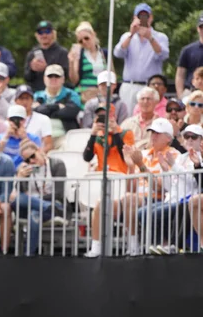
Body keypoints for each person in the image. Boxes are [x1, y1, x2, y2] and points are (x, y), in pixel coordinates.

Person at [85, 118, 180, 257]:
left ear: (168, 138)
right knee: (102, 202)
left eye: (157, 134)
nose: (153, 136)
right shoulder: (144, 154)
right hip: (135, 198)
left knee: (130, 199)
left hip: (157, 200)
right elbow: (130, 188)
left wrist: (140, 165)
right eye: (152, 132)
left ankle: (133, 246)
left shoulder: (174, 155)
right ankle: (96, 248)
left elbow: (160, 188)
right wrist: (130, 166)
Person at [141, 124, 202, 254]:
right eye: (186, 136)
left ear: (201, 140)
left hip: (186, 199)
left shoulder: (199, 158)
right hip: (172, 199)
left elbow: (193, 181)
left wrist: (174, 166)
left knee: (152, 213)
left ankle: (165, 244)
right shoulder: (180, 157)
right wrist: (165, 169)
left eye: (194, 137)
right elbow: (170, 186)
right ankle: (157, 245)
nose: (189, 140)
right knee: (141, 212)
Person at [113, 3, 169, 114]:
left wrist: (150, 38)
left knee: (151, 115)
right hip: (130, 85)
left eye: (146, 16)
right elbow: (118, 53)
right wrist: (131, 34)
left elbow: (163, 55)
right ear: (135, 18)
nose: (143, 20)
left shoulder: (160, 37)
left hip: (150, 87)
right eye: (140, 17)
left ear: (151, 18)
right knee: (128, 116)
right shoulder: (127, 36)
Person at [13, 141, 67, 255]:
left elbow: (58, 193)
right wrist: (20, 178)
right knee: (18, 200)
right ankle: (47, 207)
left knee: (34, 213)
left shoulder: (57, 164)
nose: (32, 161)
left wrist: (37, 199)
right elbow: (21, 192)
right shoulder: (25, 169)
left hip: (55, 203)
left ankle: (29, 254)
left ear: (40, 150)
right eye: (27, 160)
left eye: (33, 156)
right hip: (43, 206)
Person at [33, 64, 82, 149]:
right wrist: (57, 107)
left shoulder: (71, 94)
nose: (53, 79)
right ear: (44, 79)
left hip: (64, 136)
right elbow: (32, 112)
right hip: (41, 137)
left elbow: (72, 112)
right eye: (50, 76)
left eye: (57, 76)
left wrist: (45, 110)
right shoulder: (37, 95)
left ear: (63, 79)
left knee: (69, 146)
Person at [83, 105, 135, 173]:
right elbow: (87, 157)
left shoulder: (126, 133)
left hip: (120, 175)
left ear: (114, 117)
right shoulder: (98, 136)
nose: (104, 119)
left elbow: (127, 156)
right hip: (102, 176)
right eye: (100, 116)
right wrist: (93, 134)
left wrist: (115, 132)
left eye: (106, 115)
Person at [68, 21, 109, 103]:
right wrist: (71, 62)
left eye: (86, 38)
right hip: (84, 94)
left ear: (93, 35)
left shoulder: (104, 53)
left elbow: (111, 75)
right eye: (80, 41)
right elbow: (74, 80)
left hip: (102, 94)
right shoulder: (79, 54)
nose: (84, 42)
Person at [24, 20, 69, 91]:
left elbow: (66, 75)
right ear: (36, 35)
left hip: (56, 93)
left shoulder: (62, 52)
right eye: (40, 32)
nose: (44, 35)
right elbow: (27, 78)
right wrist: (32, 69)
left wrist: (46, 68)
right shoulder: (32, 54)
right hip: (36, 93)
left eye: (47, 32)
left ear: (53, 33)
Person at [14, 84, 53, 152]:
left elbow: (48, 145)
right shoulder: (10, 120)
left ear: (32, 100)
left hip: (35, 157)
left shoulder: (43, 119)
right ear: (16, 101)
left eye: (27, 98)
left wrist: (35, 156)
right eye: (21, 98)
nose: (24, 102)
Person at [175, 13, 203, 99]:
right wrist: (181, 95)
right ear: (198, 29)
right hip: (191, 91)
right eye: (201, 27)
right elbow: (180, 74)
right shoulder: (188, 50)